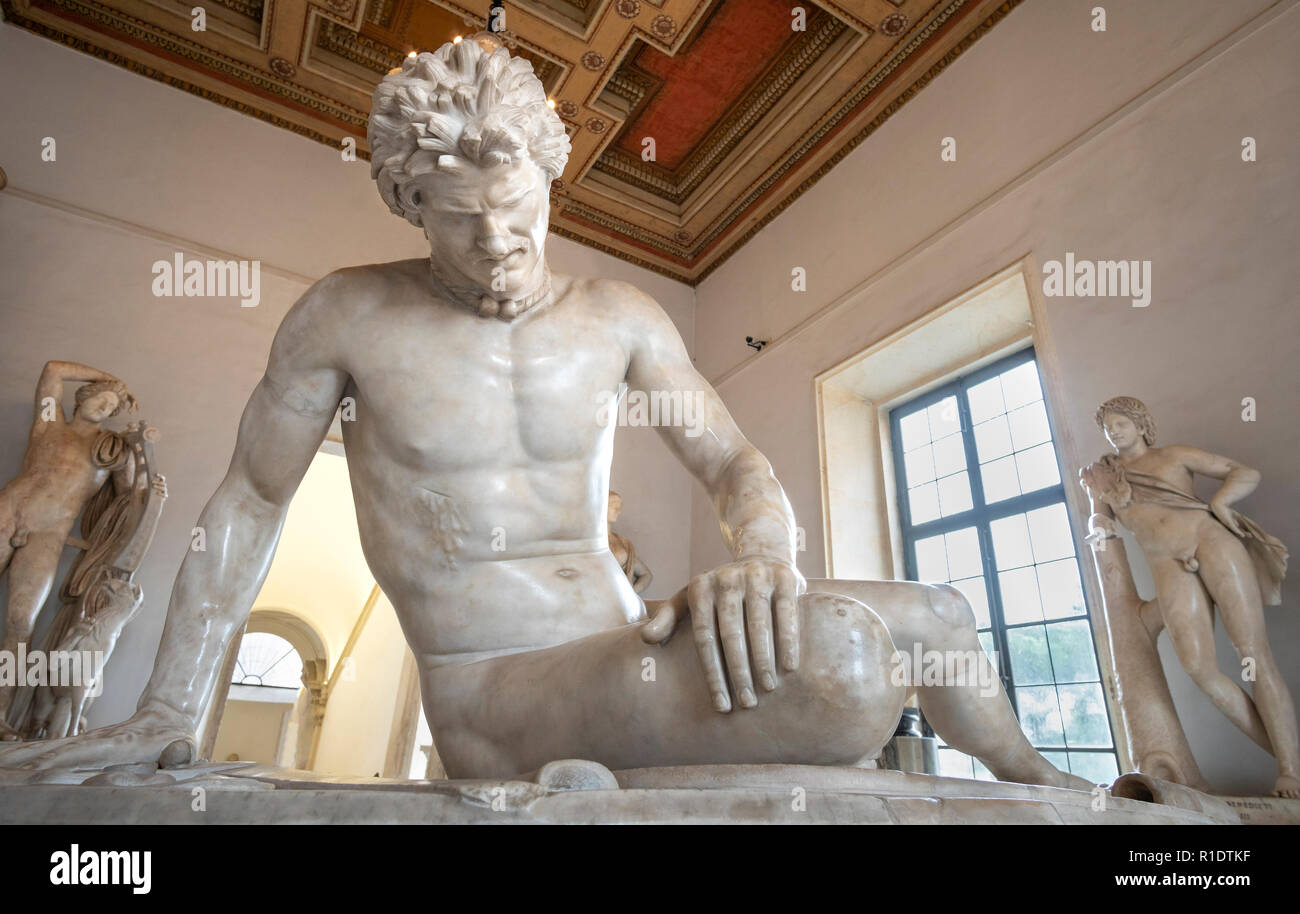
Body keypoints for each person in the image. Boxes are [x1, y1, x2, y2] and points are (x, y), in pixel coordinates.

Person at [0, 35, 1086, 789]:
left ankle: (1056, 791)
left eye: (520, 212)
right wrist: (170, 707)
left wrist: (762, 554)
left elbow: (734, 462)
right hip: (495, 687)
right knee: (844, 664)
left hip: (620, 645)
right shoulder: (345, 314)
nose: (499, 244)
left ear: (552, 178)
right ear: (407, 202)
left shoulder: (616, 315)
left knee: (939, 615)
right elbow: (245, 504)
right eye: (462, 222)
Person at [1082, 396, 1297, 797]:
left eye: (1120, 422)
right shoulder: (1107, 478)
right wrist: (1097, 521)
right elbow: (1099, 519)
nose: (1113, 430)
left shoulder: (1173, 456)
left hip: (1211, 543)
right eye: (1107, 427)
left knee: (1252, 653)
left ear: (1141, 424)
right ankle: (1290, 759)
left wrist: (1220, 502)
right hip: (1169, 567)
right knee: (1200, 669)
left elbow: (1243, 472)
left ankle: (1290, 771)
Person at [0, 361, 136, 737]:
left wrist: (143, 467)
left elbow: (129, 499)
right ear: (84, 396)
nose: (105, 411)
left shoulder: (109, 452)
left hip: (49, 535)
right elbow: (52, 370)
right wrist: (112, 378)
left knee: (20, 624)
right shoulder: (49, 422)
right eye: (101, 401)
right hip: (9, 511)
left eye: (111, 409)